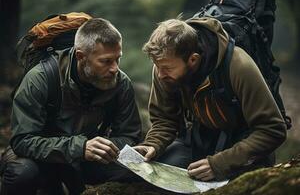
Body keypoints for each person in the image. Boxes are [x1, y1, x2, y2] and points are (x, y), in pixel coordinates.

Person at [0, 18, 142, 195]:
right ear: (81, 56)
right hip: (39, 156)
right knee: (22, 173)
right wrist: (80, 147)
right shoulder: (40, 78)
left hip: (87, 156)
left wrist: (104, 147)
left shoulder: (120, 83)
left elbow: (130, 135)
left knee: (137, 171)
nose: (114, 69)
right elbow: (22, 141)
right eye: (106, 61)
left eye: (117, 59)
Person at [135, 17, 287, 181]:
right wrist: (152, 144)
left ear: (193, 59)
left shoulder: (238, 65)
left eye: (166, 68)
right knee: (155, 177)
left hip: (245, 147)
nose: (159, 74)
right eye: (157, 66)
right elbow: (165, 120)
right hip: (201, 141)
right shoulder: (165, 65)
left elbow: (272, 129)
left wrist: (220, 164)